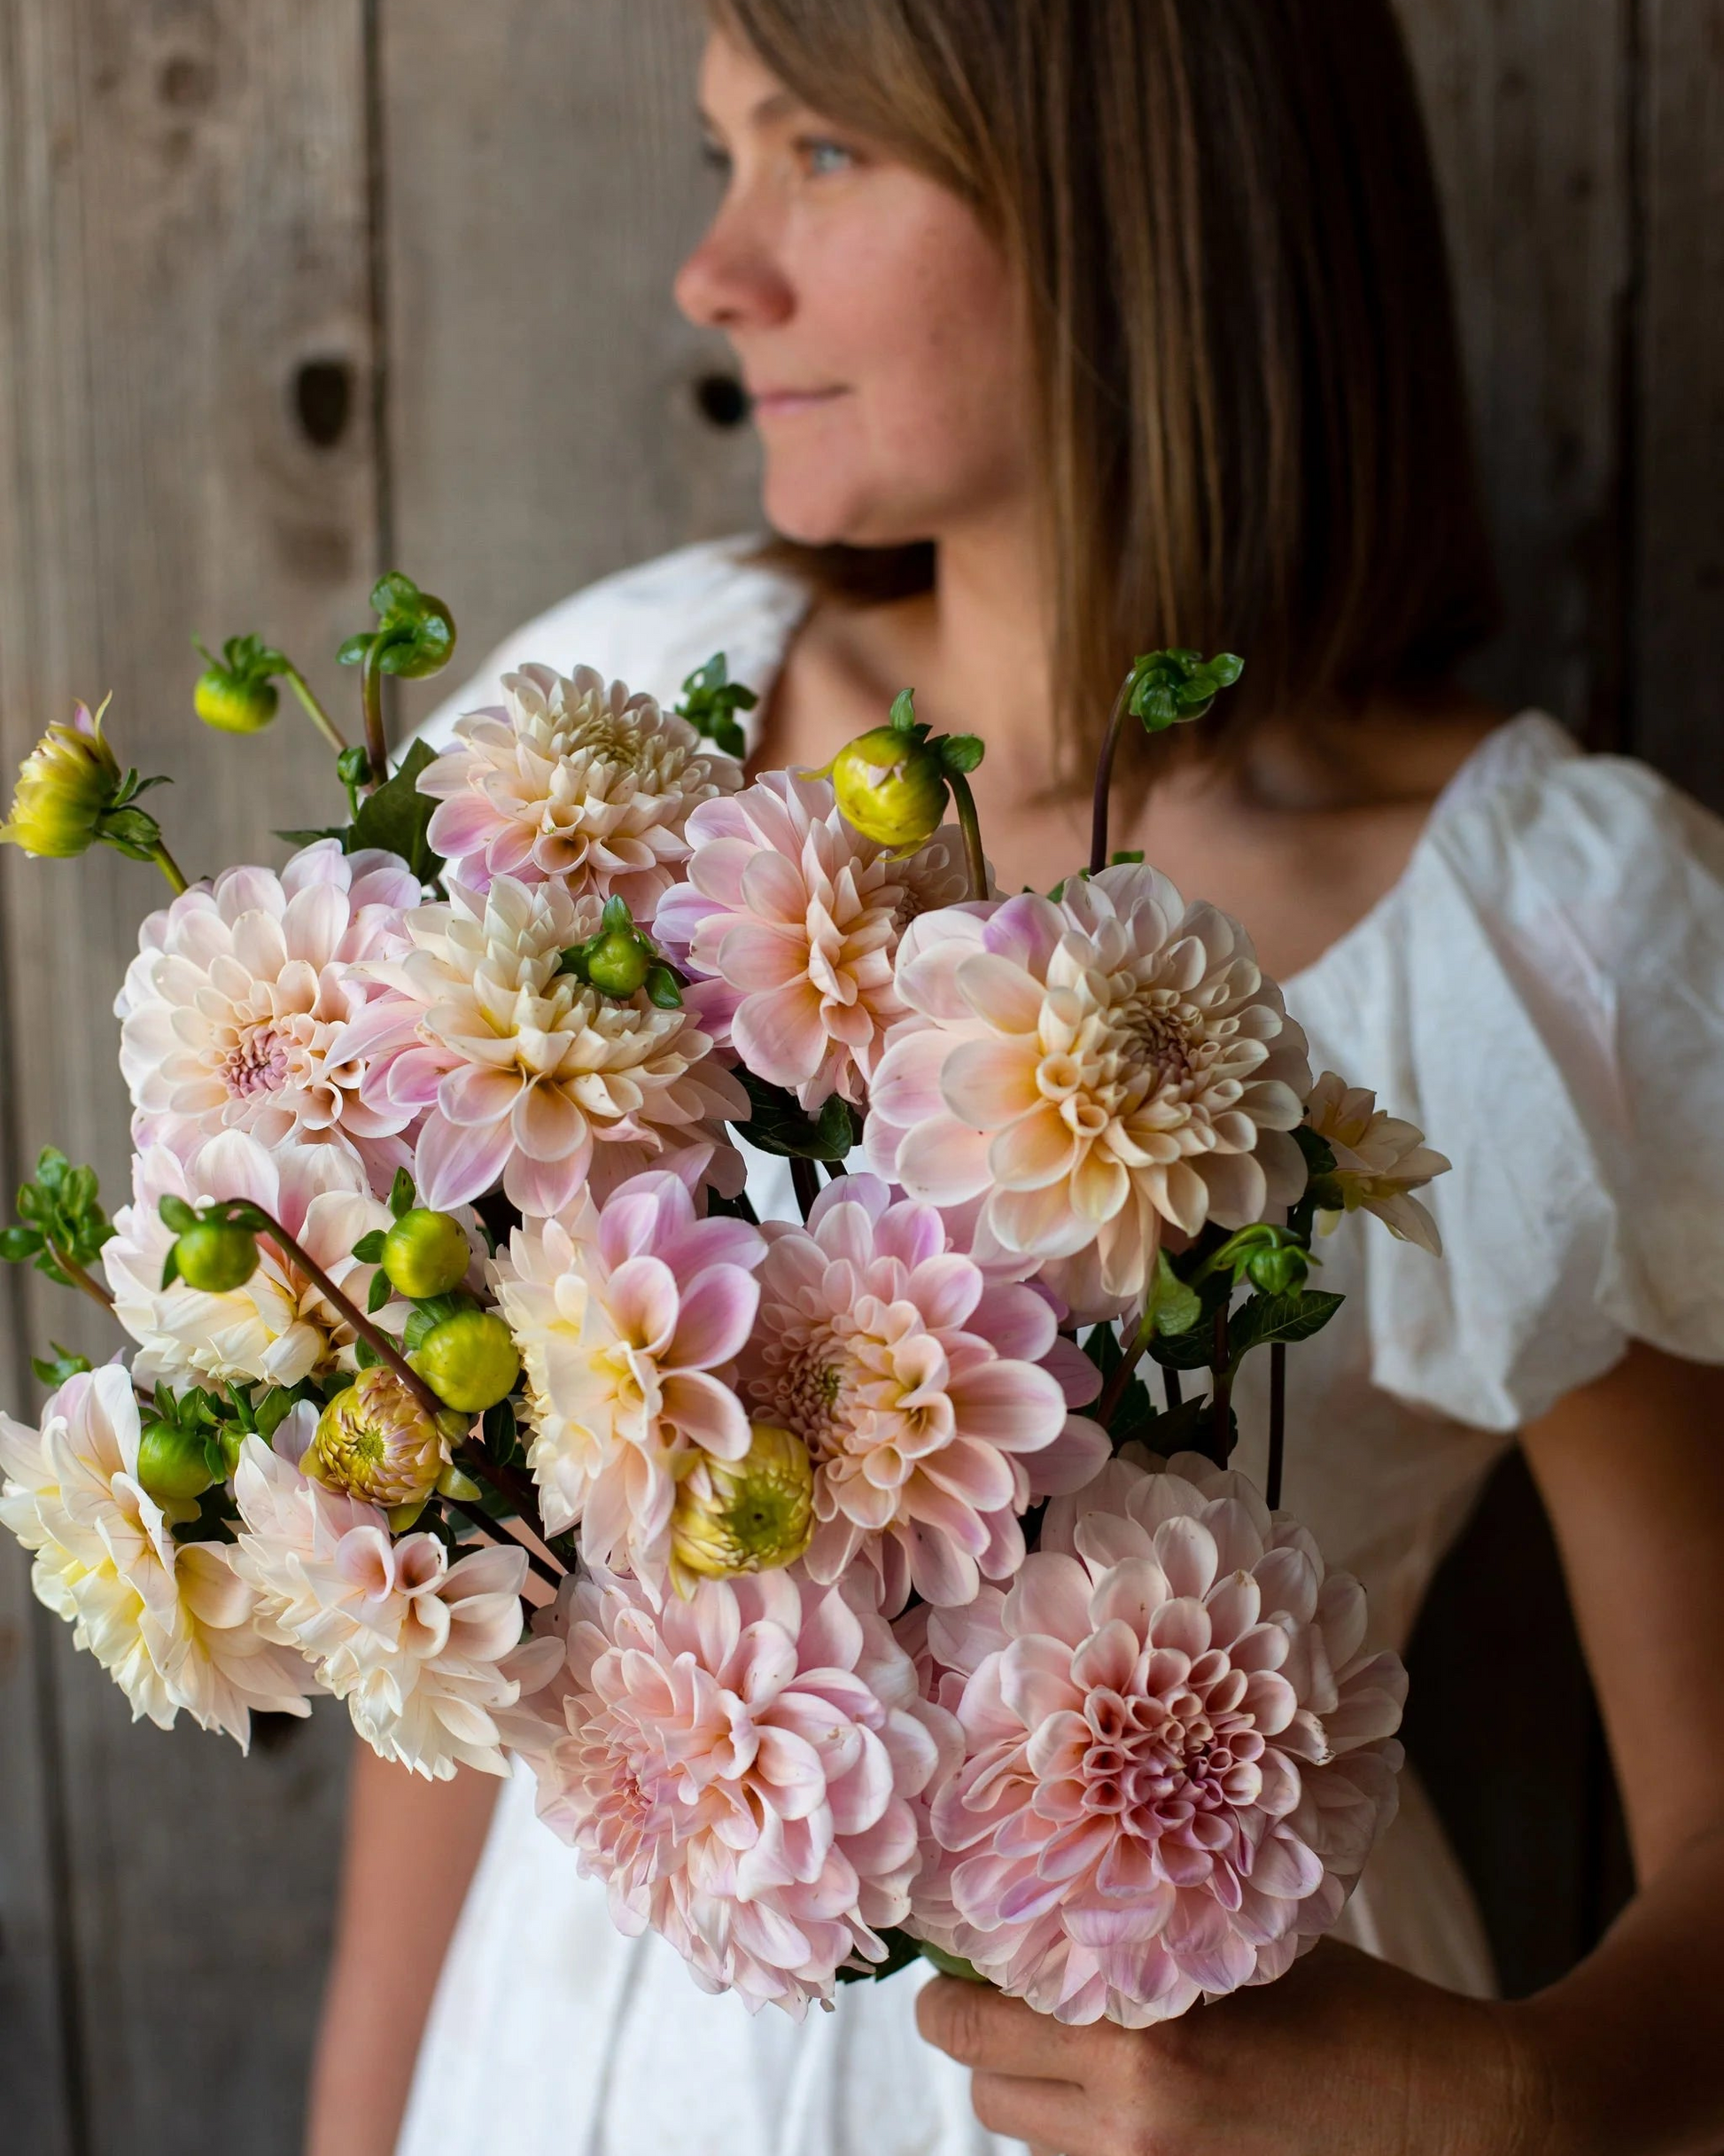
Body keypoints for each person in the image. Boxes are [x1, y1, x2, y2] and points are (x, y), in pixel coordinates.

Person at [306, 4, 1724, 2152]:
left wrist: (1510, 2088)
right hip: (571, 2069)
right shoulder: (617, 751)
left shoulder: (1555, 945)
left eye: (821, 157)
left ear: (1134, 200)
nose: (715, 272)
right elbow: (455, 1618)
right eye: (722, 154)